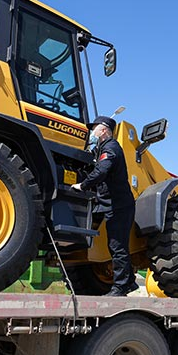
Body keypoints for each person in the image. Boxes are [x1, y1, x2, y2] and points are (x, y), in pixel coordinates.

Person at [72, 116, 137, 296]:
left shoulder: (111, 148)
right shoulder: (100, 149)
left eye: (94, 129)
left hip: (119, 206)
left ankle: (120, 287)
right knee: (116, 245)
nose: (91, 132)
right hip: (110, 205)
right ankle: (129, 282)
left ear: (104, 130)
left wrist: (83, 185)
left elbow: (102, 170)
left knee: (117, 246)